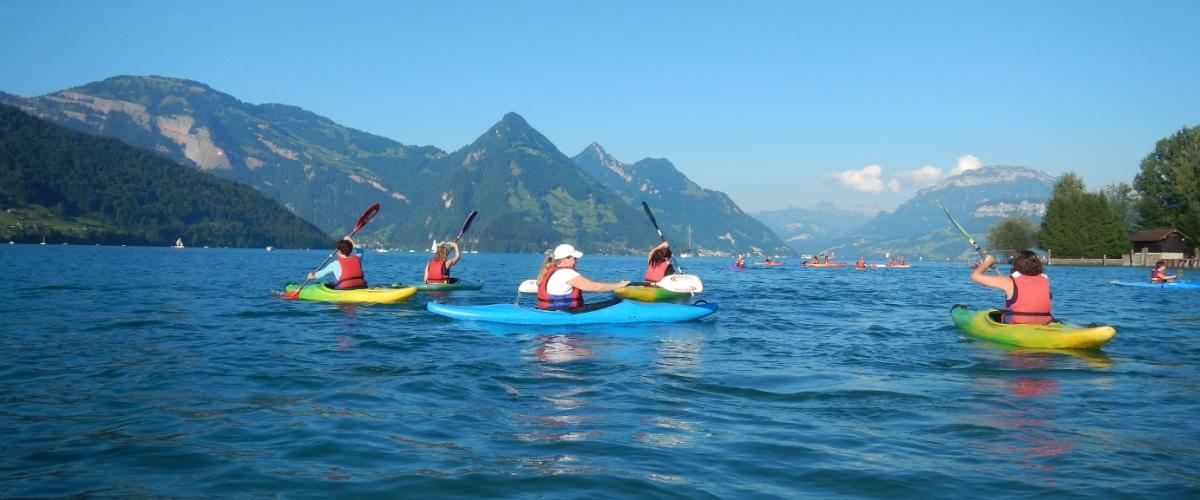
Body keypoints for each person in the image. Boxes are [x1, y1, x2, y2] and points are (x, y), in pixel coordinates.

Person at [536, 244, 630, 310]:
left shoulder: (549, 270)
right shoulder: (566, 273)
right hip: (563, 313)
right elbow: (595, 287)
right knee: (615, 302)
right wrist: (620, 286)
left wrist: (618, 284)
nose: (577, 260)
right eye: (574, 258)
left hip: (551, 310)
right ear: (565, 260)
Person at [970, 250, 1052, 324]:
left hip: (1016, 324)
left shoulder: (1009, 282)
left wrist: (987, 263)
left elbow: (975, 276)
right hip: (1043, 322)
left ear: (1016, 265)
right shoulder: (1044, 280)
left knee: (999, 314)